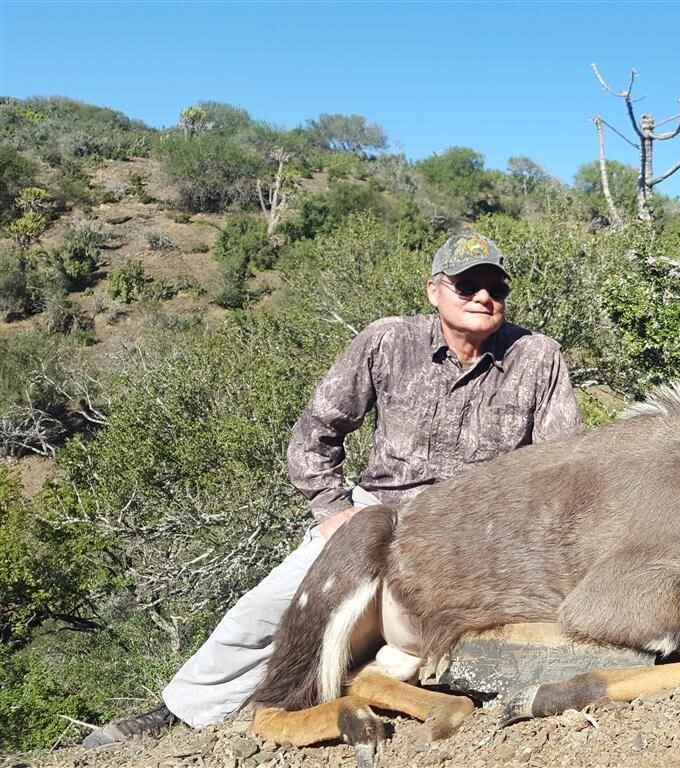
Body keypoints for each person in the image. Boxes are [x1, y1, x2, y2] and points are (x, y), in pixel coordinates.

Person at [84, 233, 584, 745]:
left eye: (494, 287)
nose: (483, 297)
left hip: (481, 531)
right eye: (467, 285)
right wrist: (333, 510)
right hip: (380, 516)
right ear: (435, 291)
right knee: (266, 608)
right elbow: (314, 434)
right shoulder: (387, 341)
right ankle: (180, 711)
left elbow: (563, 466)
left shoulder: (538, 356)